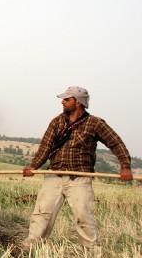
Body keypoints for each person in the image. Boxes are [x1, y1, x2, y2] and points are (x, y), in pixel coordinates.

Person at [21, 86, 133, 250]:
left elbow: (116, 143)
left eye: (67, 99)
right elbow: (45, 147)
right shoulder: (57, 122)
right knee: (41, 214)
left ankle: (91, 251)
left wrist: (125, 166)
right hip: (54, 176)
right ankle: (30, 248)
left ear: (78, 102)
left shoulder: (95, 124)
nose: (62, 102)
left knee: (84, 217)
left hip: (79, 178)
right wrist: (32, 166)